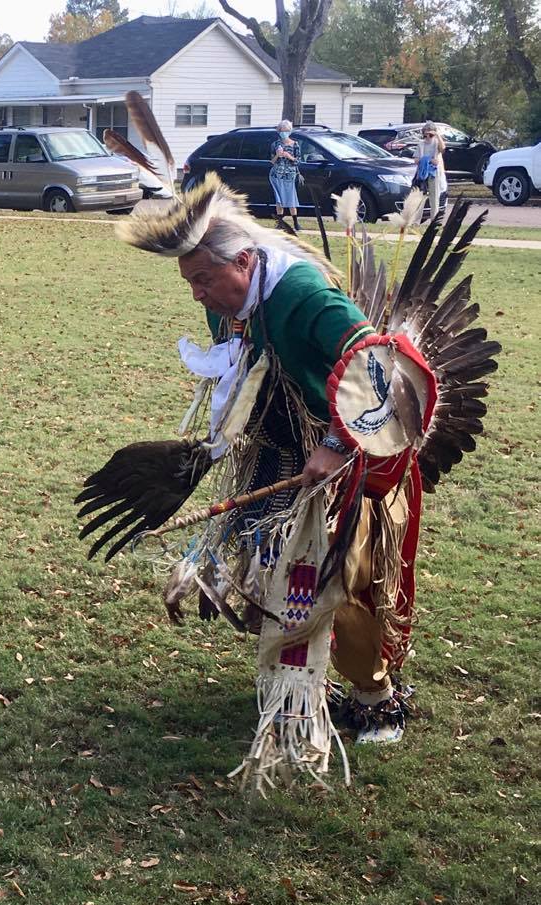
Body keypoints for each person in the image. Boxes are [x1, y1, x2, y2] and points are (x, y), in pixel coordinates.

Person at [82, 177, 497, 790]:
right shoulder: (230, 295)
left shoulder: (304, 298)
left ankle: (375, 696)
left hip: (363, 448)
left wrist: (333, 446)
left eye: (203, 279)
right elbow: (246, 368)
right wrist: (211, 449)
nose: (198, 293)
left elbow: (377, 370)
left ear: (244, 261)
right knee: (276, 564)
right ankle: (305, 672)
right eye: (190, 282)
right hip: (288, 439)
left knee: (348, 579)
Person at [269, 120, 302, 232]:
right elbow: (272, 161)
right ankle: (280, 222)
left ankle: (296, 222)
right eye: (281, 131)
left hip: (289, 176)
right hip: (277, 175)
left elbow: (298, 161)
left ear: (290, 131)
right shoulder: (275, 144)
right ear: (279, 131)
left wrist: (289, 156)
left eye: (286, 131)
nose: (284, 133)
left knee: (291, 199)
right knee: (279, 200)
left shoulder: (295, 145)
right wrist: (277, 155)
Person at [413, 121, 447, 218]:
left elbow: (443, 148)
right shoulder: (421, 144)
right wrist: (428, 160)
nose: (428, 137)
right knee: (420, 197)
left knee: (434, 197)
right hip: (422, 173)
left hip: (433, 173)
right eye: (425, 135)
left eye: (430, 135)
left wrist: (437, 135)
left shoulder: (436, 143)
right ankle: (416, 221)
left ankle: (434, 220)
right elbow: (416, 159)